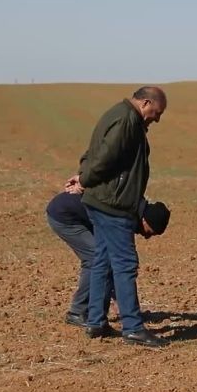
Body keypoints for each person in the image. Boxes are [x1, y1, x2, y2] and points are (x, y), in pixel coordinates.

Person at [76, 86, 168, 347]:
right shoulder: (127, 120)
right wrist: (85, 179)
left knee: (102, 261)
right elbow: (105, 158)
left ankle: (96, 321)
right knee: (125, 264)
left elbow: (93, 153)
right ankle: (133, 327)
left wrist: (83, 177)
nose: (157, 118)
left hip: (103, 201)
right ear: (145, 102)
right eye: (156, 112)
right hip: (112, 205)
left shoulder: (118, 114)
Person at [45, 188, 171, 327]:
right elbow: (123, 262)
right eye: (149, 232)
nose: (146, 237)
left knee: (105, 258)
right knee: (95, 259)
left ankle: (99, 311)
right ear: (145, 220)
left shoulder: (133, 205)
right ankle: (78, 312)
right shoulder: (128, 215)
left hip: (83, 216)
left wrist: (121, 304)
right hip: (65, 216)